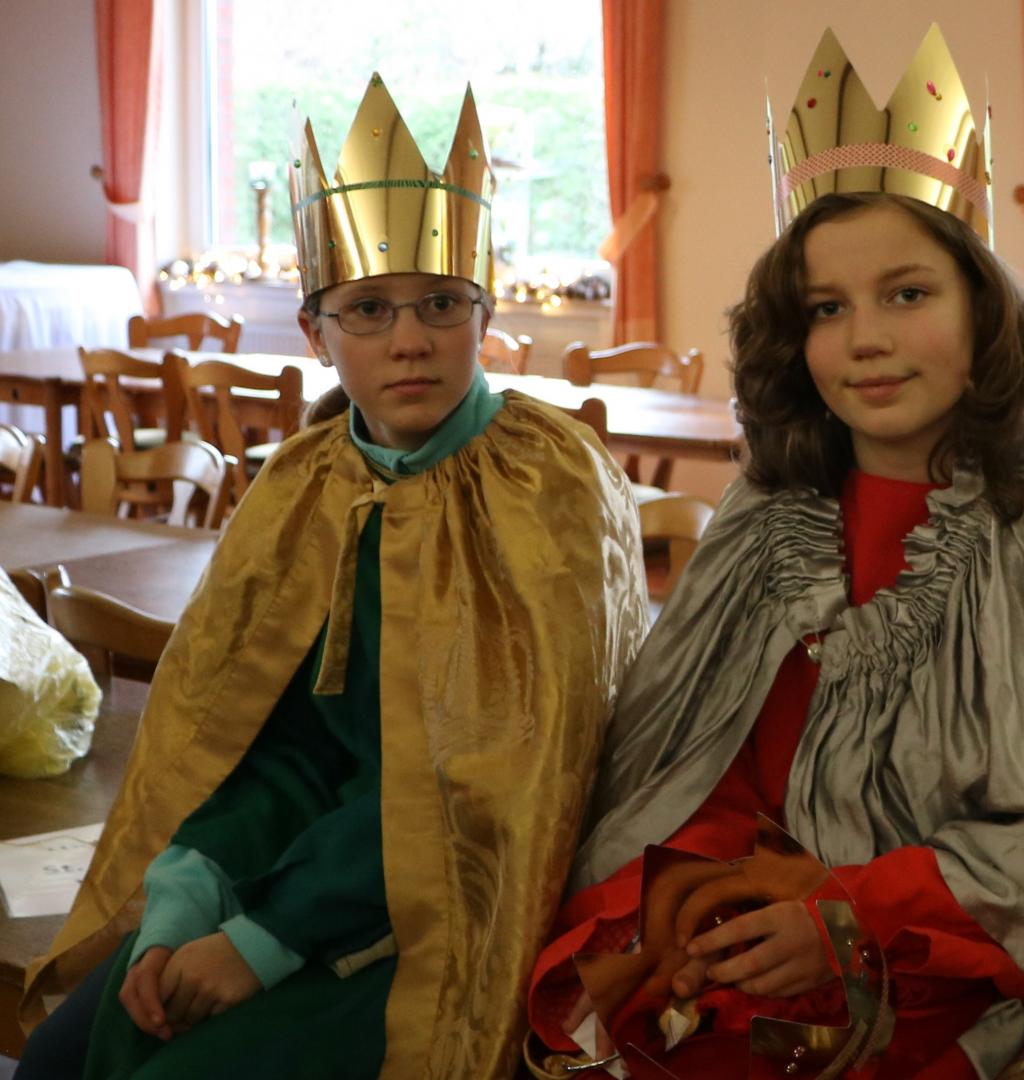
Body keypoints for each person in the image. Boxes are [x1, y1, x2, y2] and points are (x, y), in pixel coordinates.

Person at [522, 26, 1024, 1080]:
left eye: (907, 294)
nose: (865, 337)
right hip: (743, 920)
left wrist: (841, 914)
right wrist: (706, 898)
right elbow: (691, 756)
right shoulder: (766, 509)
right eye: (828, 309)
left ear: (983, 309)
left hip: (933, 953)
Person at [17, 74, 648, 1079]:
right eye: (369, 310)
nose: (411, 339)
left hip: (457, 901)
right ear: (315, 333)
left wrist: (265, 943)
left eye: (442, 304)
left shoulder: (550, 483)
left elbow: (496, 783)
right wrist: (195, 894)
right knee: (69, 1052)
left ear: (483, 313)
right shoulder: (305, 485)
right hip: (293, 868)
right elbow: (259, 736)